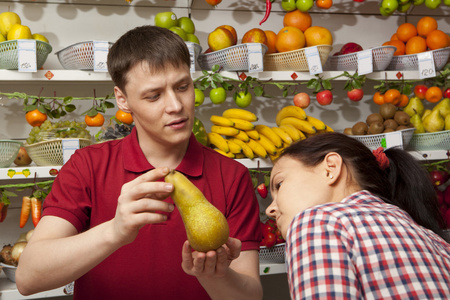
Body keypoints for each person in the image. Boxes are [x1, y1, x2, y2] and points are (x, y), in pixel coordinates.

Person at [16, 25, 263, 300]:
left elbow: (250, 295)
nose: (176, 105)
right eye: (154, 95)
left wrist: (215, 276)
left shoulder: (233, 176)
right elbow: (28, 278)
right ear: (123, 100)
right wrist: (115, 231)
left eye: (183, 87)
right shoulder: (87, 166)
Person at [266, 132, 450, 299]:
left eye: (279, 184)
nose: (270, 209)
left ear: (330, 168)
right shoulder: (434, 240)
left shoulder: (317, 222)